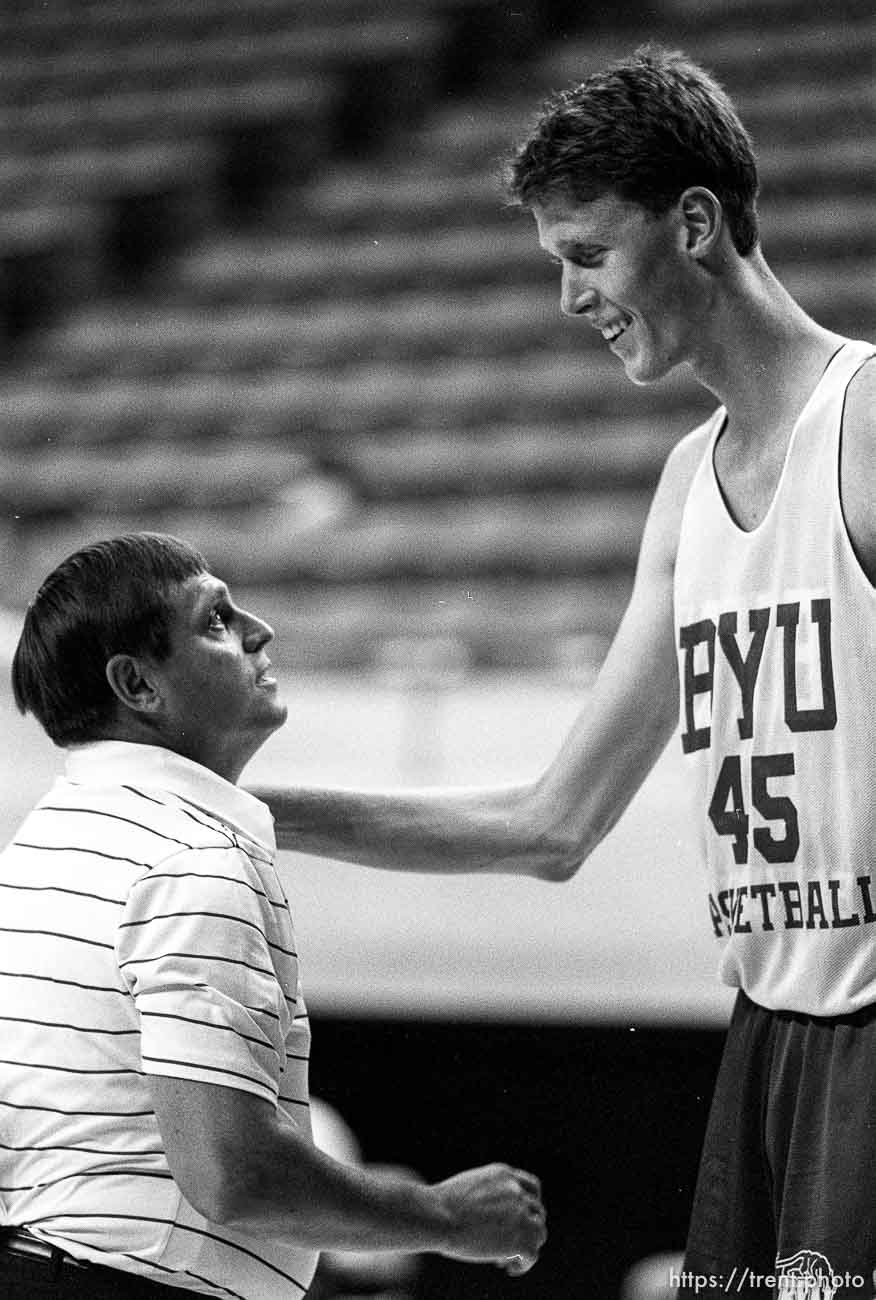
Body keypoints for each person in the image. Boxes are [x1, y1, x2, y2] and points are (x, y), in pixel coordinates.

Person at [249, 46, 875, 1299]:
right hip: (768, 1037)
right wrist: (256, 816)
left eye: (587, 254)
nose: (570, 295)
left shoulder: (865, 425)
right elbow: (551, 823)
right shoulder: (684, 489)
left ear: (694, 223)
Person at [0, 532, 547, 1300]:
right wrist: (444, 1216)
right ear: (138, 685)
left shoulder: (46, 839)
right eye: (217, 621)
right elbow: (236, 1175)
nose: (261, 631)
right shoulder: (191, 856)